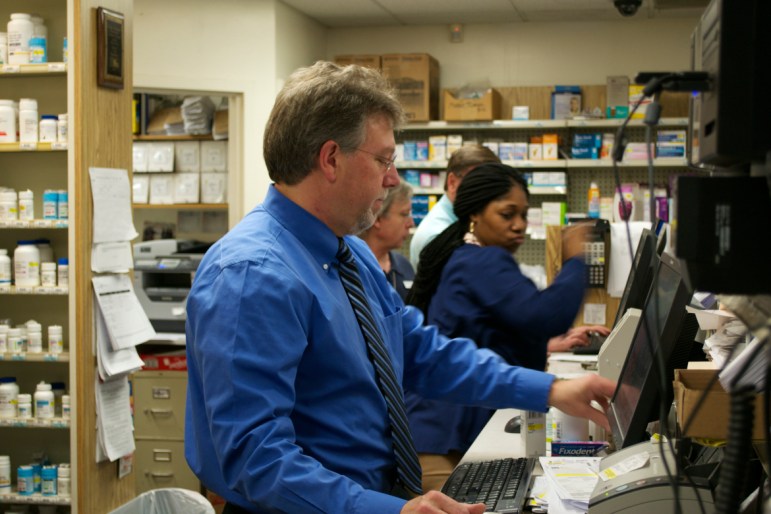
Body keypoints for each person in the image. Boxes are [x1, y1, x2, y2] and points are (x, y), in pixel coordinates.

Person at [185, 61, 615, 514]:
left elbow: (421, 353)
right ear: (331, 158)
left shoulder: (348, 255)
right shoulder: (253, 274)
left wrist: (549, 390)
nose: (392, 179)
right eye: (383, 160)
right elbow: (254, 459)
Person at [405, 163, 610, 491]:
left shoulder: (468, 257)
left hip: (442, 431)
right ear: (475, 214)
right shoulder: (481, 261)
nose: (519, 226)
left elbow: (493, 334)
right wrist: (575, 260)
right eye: (507, 214)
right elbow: (545, 316)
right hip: (443, 441)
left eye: (524, 215)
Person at [408, 145, 500, 269]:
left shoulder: (463, 222)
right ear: (452, 182)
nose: (487, 193)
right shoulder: (437, 236)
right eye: (476, 183)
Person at [357, 179, 415, 301]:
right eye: (404, 214)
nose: (411, 223)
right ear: (377, 218)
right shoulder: (352, 269)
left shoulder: (404, 266)